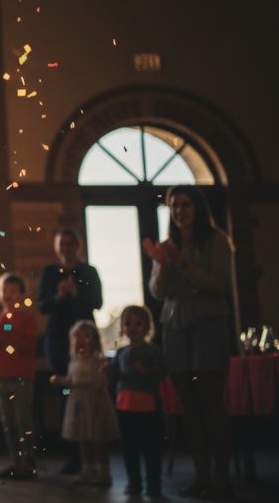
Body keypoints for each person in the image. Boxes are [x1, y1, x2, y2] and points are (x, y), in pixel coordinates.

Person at [144, 184, 234, 499]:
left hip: (208, 325)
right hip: (174, 328)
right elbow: (157, 292)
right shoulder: (167, 244)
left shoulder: (217, 241)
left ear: (197, 207)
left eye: (186, 204)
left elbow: (220, 284)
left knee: (210, 404)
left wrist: (182, 263)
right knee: (189, 408)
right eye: (175, 206)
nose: (180, 211)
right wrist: (161, 262)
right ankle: (201, 477)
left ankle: (221, 479)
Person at [36, 227, 103, 474]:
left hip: (85, 337)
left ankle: (94, 455)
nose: (66, 248)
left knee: (86, 390)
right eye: (61, 243)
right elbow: (42, 306)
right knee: (66, 393)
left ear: (78, 246)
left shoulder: (89, 271)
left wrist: (76, 293)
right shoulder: (50, 272)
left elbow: (97, 302)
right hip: (57, 340)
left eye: (70, 243)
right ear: (57, 247)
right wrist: (59, 296)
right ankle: (73, 456)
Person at [108, 305, 167, 497]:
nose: (132, 328)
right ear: (122, 327)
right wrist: (107, 370)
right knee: (129, 449)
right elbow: (115, 376)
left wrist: (147, 372)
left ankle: (153, 484)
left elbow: (161, 373)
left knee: (152, 449)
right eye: (128, 323)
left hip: (149, 408)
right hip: (125, 407)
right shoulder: (121, 352)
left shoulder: (153, 351)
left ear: (147, 326)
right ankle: (134, 482)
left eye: (138, 323)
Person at [0, 272, 38, 480]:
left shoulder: (27, 319)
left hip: (22, 377)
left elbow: (27, 345)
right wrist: (0, 332)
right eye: (4, 291)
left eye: (13, 291)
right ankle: (16, 461)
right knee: (8, 423)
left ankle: (29, 462)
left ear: (22, 294)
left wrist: (6, 331)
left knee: (23, 421)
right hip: (0, 377)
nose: (8, 295)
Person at [51, 320, 119, 488]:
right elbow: (71, 381)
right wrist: (60, 381)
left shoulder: (98, 360)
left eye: (87, 336)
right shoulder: (74, 361)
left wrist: (104, 373)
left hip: (95, 403)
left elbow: (101, 382)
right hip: (79, 404)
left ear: (95, 340)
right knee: (83, 439)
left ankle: (104, 473)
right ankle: (87, 470)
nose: (82, 340)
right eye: (78, 336)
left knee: (98, 439)